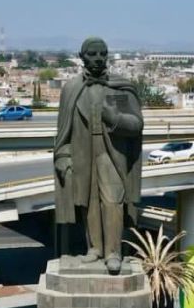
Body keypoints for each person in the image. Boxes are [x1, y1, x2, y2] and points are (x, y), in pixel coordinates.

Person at [53, 36, 144, 274]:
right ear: (82, 57)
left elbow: (136, 125)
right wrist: (62, 157)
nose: (98, 58)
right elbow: (63, 132)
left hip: (111, 152)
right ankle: (94, 248)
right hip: (82, 153)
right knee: (89, 202)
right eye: (92, 54)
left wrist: (115, 119)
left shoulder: (120, 87)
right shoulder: (71, 89)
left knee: (113, 200)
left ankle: (113, 252)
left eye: (102, 53)